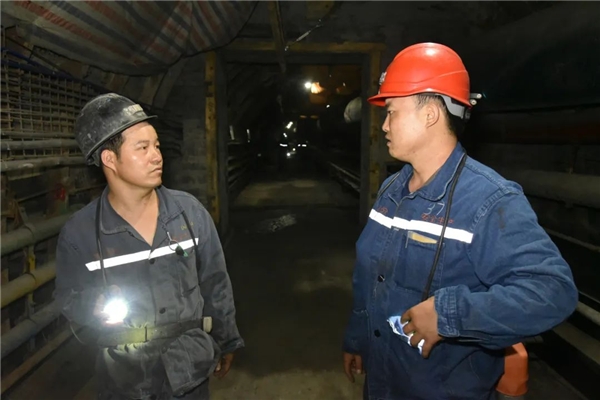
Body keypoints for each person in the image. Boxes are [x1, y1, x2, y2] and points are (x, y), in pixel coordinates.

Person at [342, 42, 578, 400]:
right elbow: (369, 277)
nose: (384, 125)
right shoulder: (391, 190)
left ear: (429, 114)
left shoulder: (489, 200)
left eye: (392, 112)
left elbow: (553, 291)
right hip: (383, 383)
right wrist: (358, 338)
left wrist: (449, 316)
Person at [54, 93, 244, 399]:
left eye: (156, 146)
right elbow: (67, 297)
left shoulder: (189, 213)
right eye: (142, 148)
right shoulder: (80, 234)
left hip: (189, 374)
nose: (157, 156)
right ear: (109, 159)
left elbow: (215, 282)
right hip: (125, 379)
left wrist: (227, 339)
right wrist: (94, 304)